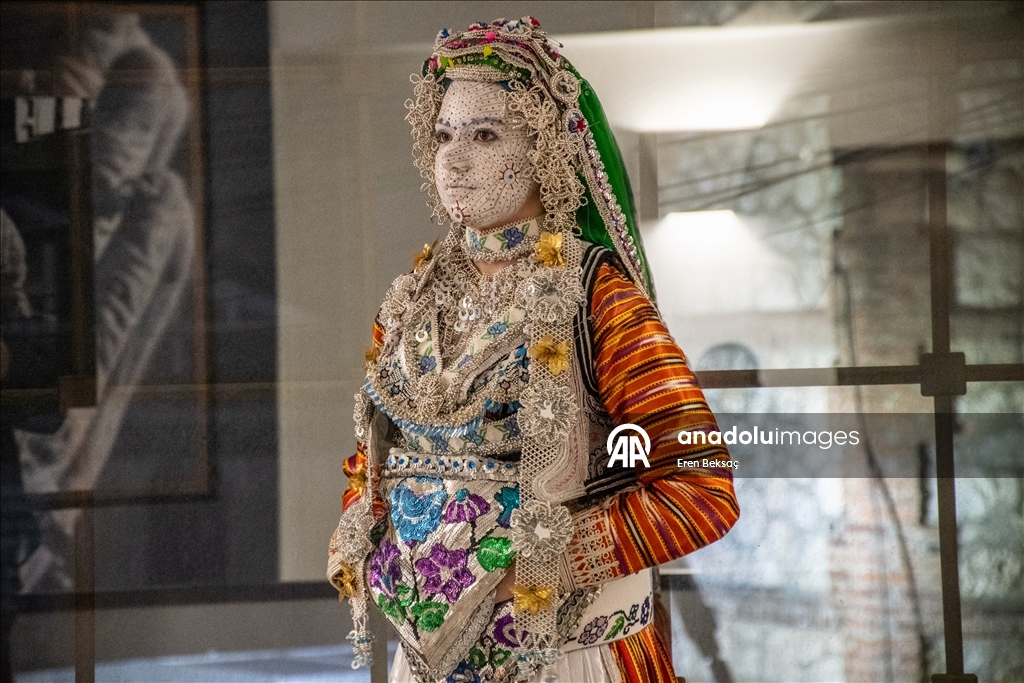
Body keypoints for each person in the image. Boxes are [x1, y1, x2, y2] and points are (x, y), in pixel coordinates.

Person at [328, 17, 739, 683]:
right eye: (444, 135)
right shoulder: (412, 298)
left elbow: (701, 488)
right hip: (422, 663)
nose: (454, 159)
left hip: (566, 658)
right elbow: (373, 453)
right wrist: (359, 523)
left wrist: (546, 563)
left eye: (486, 135)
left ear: (546, 147)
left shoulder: (596, 296)